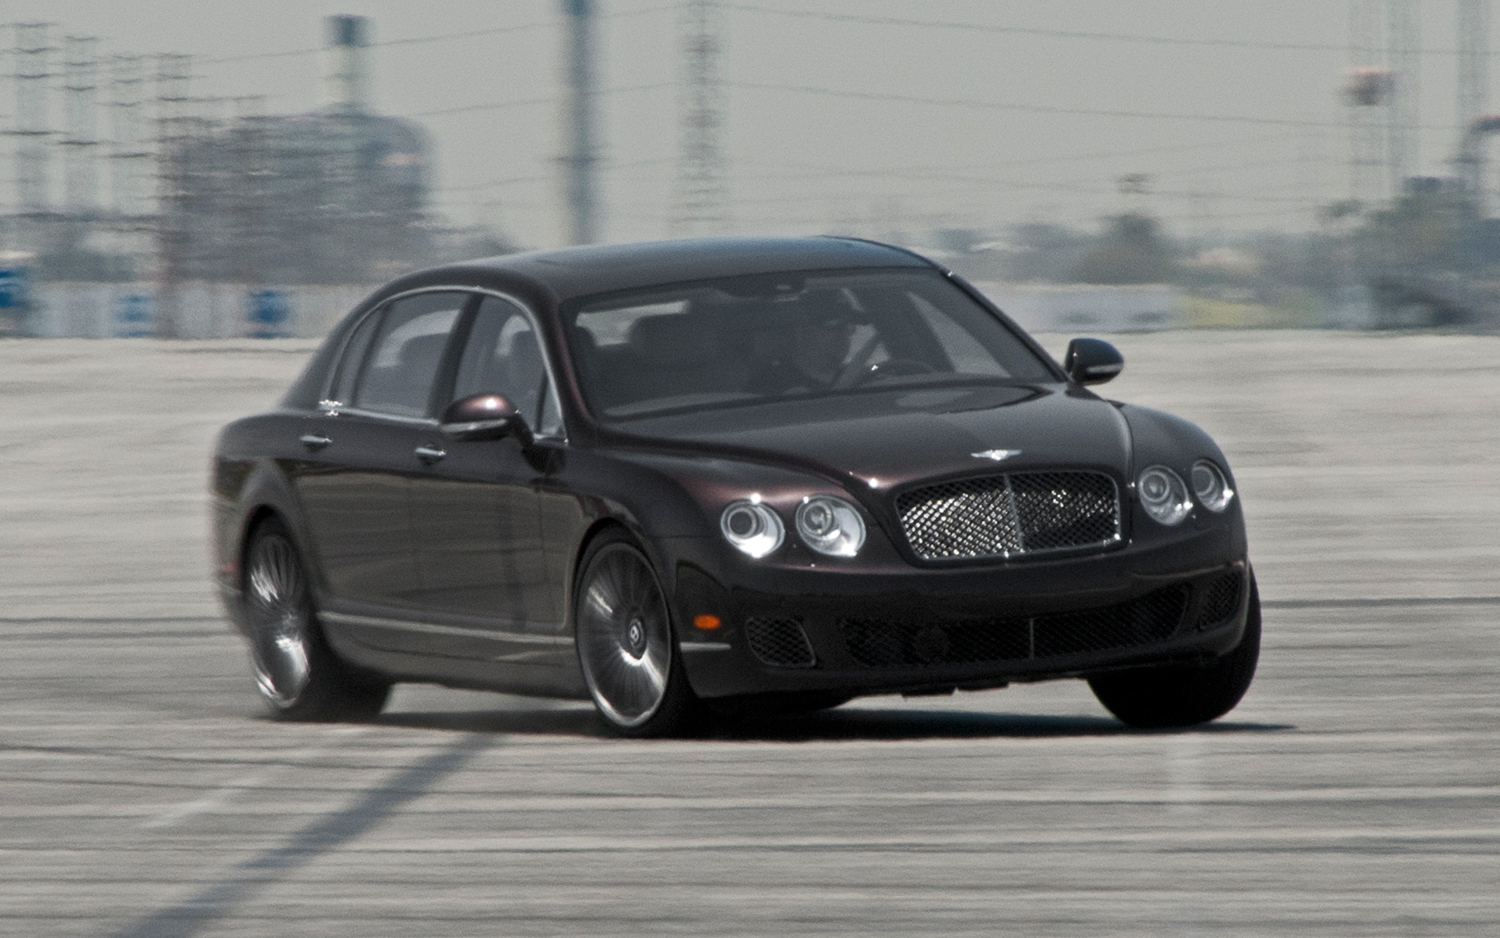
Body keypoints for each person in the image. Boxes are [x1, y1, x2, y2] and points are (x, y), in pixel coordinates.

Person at [746, 296, 857, 395]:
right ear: (801, 330)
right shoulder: (769, 384)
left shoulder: (859, 379)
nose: (843, 335)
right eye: (831, 326)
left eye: (848, 327)